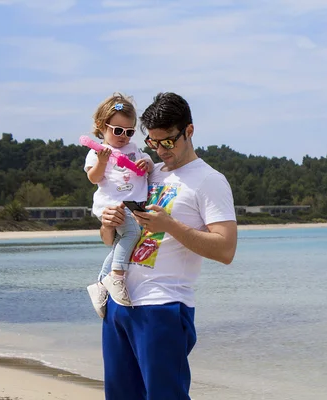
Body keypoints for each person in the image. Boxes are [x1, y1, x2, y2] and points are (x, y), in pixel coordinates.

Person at [98, 92, 238, 400]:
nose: (161, 150)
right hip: (119, 304)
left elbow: (226, 250)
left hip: (163, 307)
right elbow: (110, 240)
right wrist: (108, 223)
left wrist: (170, 225)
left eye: (168, 142)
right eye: (153, 142)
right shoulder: (147, 172)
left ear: (189, 131)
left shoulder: (210, 181)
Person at [84, 93, 153, 317]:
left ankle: (99, 285)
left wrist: (147, 163)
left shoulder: (133, 149)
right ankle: (116, 276)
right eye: (117, 130)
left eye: (129, 131)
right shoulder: (97, 153)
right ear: (101, 127)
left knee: (121, 244)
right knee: (131, 235)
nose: (123, 136)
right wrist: (102, 161)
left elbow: (147, 162)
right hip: (112, 205)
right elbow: (93, 178)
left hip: (133, 203)